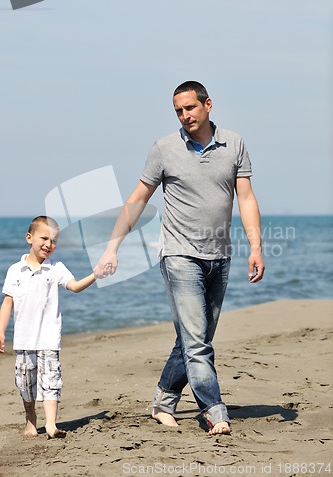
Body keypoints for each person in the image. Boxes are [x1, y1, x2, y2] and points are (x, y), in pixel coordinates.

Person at [94, 81, 265, 436]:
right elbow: (138, 199)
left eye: (190, 108)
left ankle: (163, 401)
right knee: (198, 341)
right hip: (178, 255)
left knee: (193, 339)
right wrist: (112, 247)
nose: (184, 115)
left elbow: (246, 198)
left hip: (220, 256)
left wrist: (256, 247)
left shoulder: (235, 143)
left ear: (208, 105)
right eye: (178, 110)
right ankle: (214, 411)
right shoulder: (164, 148)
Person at [0, 216, 96, 439]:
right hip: (24, 340)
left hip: (49, 338)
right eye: (44, 238)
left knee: (51, 381)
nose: (49, 244)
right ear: (29, 238)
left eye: (53, 241)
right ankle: (31, 421)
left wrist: (95, 274)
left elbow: (74, 286)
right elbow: (7, 302)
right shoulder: (15, 270)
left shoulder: (56, 268)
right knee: (26, 384)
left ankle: (51, 424)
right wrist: (1, 330)